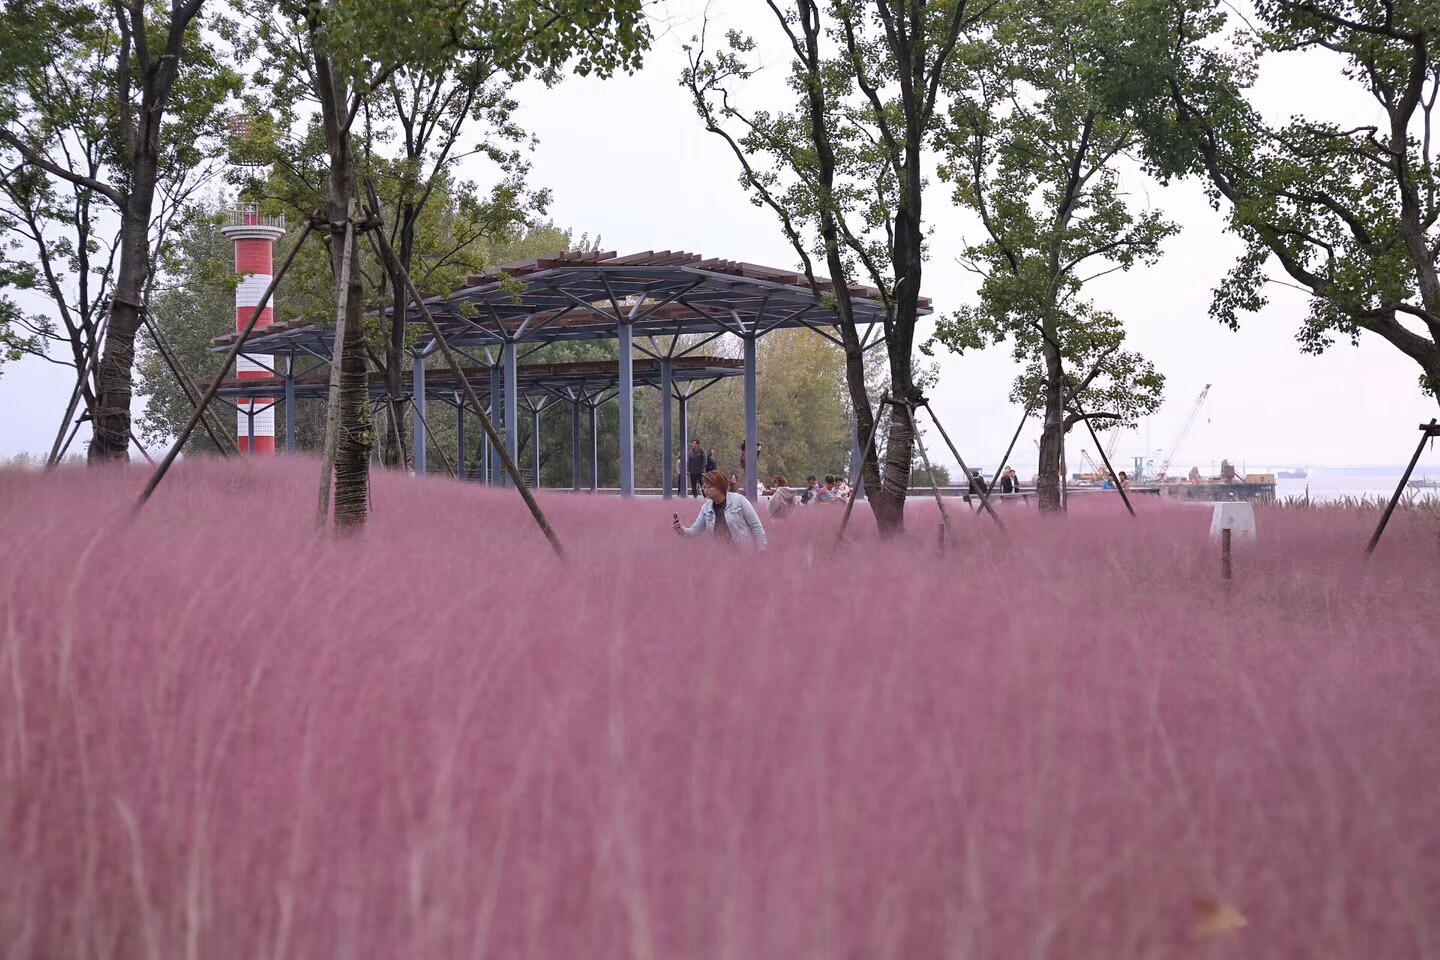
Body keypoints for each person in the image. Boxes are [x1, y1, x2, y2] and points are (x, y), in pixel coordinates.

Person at [673, 469, 768, 549]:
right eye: (704, 487)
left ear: (720, 487)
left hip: (744, 552)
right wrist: (682, 530)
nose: (705, 490)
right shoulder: (706, 509)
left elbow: (756, 527)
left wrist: (762, 549)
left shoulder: (739, 500)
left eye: (709, 487)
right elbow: (695, 531)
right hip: (721, 555)